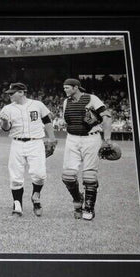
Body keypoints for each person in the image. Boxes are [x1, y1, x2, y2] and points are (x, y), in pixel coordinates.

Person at [0, 82, 56, 217]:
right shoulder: (7, 108)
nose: (10, 96)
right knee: (16, 176)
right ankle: (17, 205)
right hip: (17, 143)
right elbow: (6, 128)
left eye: (12, 93)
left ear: (22, 92)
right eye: (9, 93)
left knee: (40, 175)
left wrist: (52, 138)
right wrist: (5, 122)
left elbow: (47, 121)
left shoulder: (37, 104)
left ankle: (36, 196)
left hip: (36, 143)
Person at [60, 78, 113, 221]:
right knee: (68, 176)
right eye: (64, 88)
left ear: (76, 87)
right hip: (72, 138)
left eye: (67, 88)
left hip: (91, 138)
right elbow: (68, 121)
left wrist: (107, 140)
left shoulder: (92, 98)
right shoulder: (66, 102)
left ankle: (89, 207)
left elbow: (107, 117)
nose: (65, 90)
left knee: (89, 176)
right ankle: (78, 199)